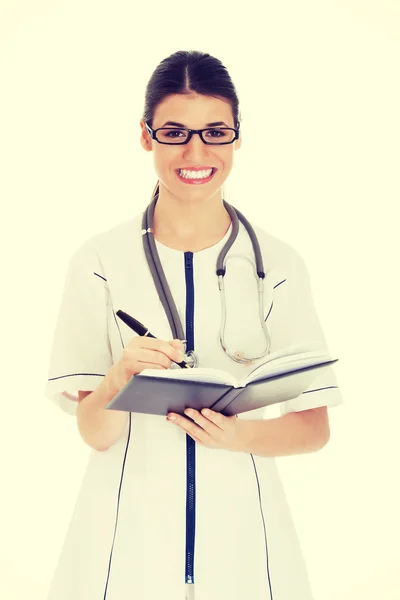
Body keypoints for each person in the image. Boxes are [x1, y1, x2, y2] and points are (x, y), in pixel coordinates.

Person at [44, 50, 343, 600]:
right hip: (123, 538)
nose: (196, 152)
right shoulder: (100, 261)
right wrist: (118, 379)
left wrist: (236, 436)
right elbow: (93, 433)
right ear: (145, 135)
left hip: (246, 539)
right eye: (175, 132)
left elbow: (313, 427)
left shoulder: (277, 265)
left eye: (215, 132)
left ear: (236, 136)